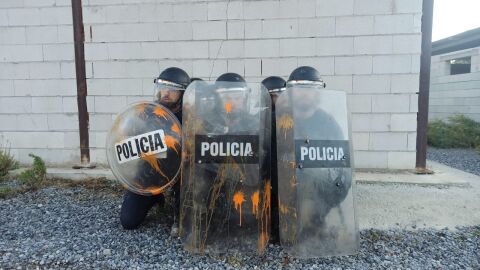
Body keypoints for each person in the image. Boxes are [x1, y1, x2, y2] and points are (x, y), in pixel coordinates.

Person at [120, 67, 190, 230]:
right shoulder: (146, 113)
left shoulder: (190, 117)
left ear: (183, 94)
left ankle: (178, 204)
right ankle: (154, 197)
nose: (165, 93)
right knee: (129, 221)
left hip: (182, 173)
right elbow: (129, 141)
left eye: (172, 90)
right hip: (151, 170)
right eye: (163, 87)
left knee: (186, 224)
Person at [261, 76, 286, 243]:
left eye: (277, 96)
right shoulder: (258, 117)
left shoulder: (291, 117)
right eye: (271, 96)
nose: (274, 100)